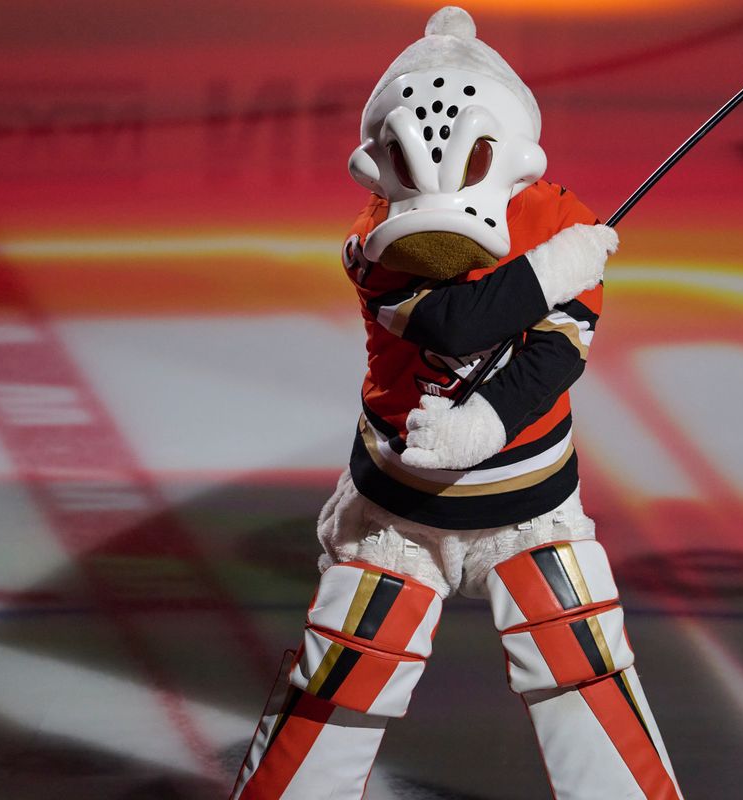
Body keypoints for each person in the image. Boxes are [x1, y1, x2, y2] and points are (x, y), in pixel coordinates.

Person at [231, 7, 684, 798]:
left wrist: (486, 422)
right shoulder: (374, 241)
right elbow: (451, 320)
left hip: (529, 502)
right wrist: (552, 271)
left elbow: (555, 354)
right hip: (401, 512)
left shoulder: (559, 219)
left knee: (583, 659)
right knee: (348, 665)